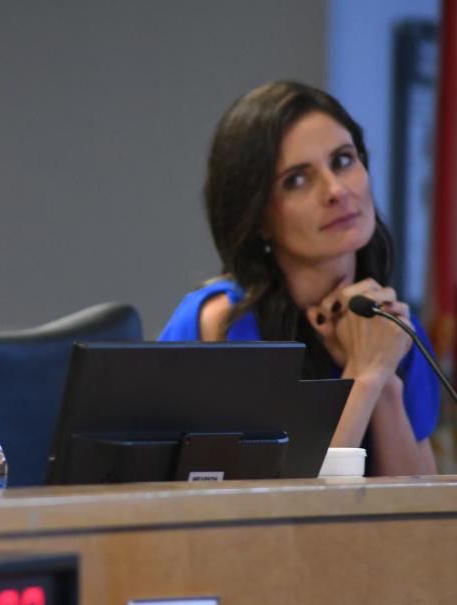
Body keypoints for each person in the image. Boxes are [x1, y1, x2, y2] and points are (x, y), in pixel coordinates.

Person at [159, 80, 438, 476]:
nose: (336, 191)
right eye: (297, 180)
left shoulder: (392, 325)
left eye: (342, 160)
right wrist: (363, 375)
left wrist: (386, 385)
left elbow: (419, 525)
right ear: (258, 218)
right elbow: (277, 519)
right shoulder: (221, 325)